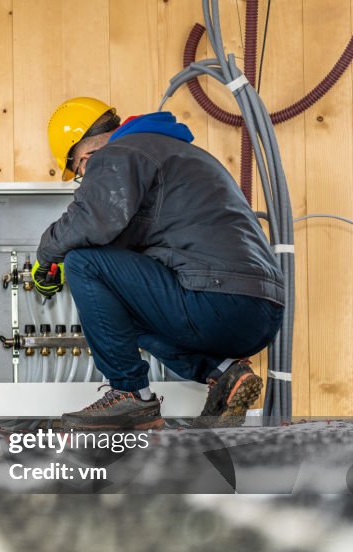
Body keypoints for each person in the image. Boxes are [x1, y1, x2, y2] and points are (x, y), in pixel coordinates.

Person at [32, 96, 285, 429]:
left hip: (215, 298)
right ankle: (224, 372)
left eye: (80, 170)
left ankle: (130, 395)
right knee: (121, 303)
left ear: (86, 154)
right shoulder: (183, 155)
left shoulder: (118, 154)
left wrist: (47, 256)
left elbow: (91, 221)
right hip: (260, 311)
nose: (85, 176)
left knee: (82, 262)